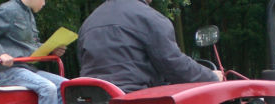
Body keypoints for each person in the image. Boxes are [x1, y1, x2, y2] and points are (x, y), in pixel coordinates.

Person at [77, 0, 222, 93]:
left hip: (91, 103)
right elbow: (174, 66)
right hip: (133, 101)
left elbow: (82, 61)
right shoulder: (150, 18)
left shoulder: (89, 22)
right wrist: (211, 76)